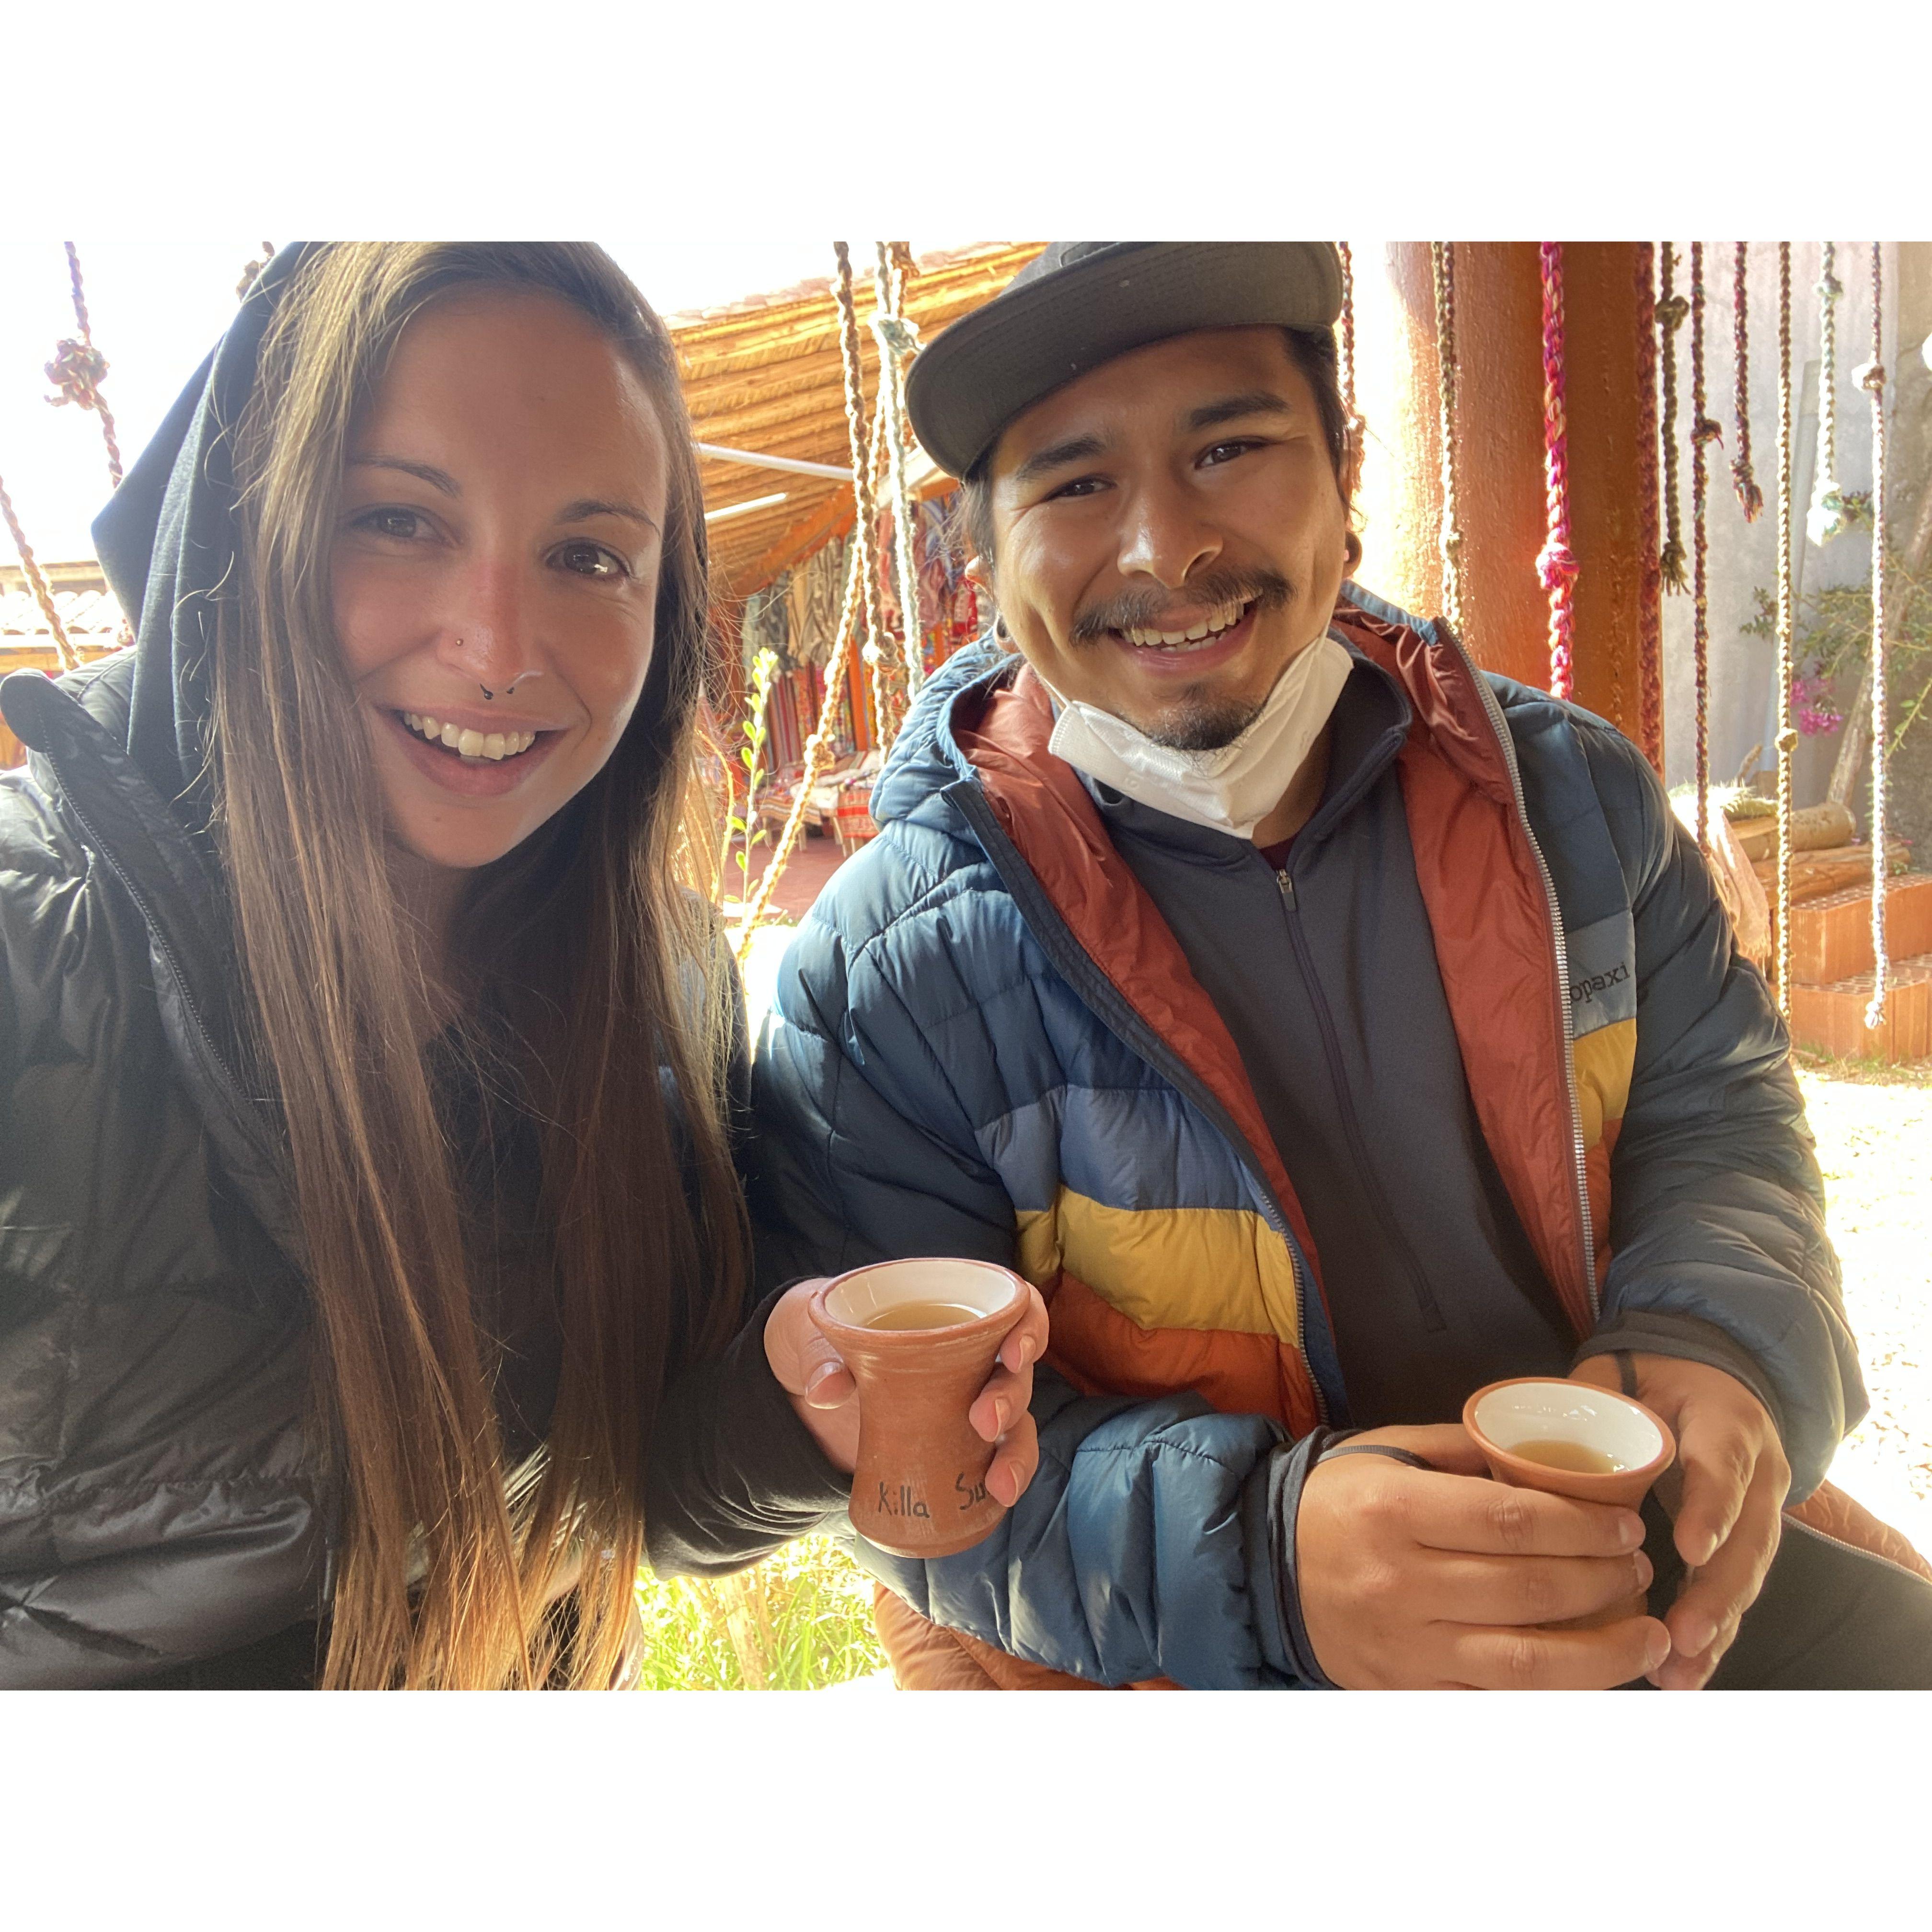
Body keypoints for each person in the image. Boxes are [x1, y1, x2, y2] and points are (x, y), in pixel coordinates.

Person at [755, 241, 1932, 1690]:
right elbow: (913, 1480)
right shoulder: (883, 981)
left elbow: (1722, 1118)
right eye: (1073, 484)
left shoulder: (1574, 803)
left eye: (1231, 448)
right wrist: (1268, 1562)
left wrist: (1716, 1343)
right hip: (1159, 1655)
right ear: (987, 552)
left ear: (1346, 471)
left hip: (1614, 1547)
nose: (1161, 551)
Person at [0, 242, 1044, 1690]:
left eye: (587, 557)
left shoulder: (658, 984)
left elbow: (635, 1502)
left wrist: (793, 1405)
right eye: (397, 521)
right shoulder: (35, 946)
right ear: (250, 533)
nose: (496, 646)